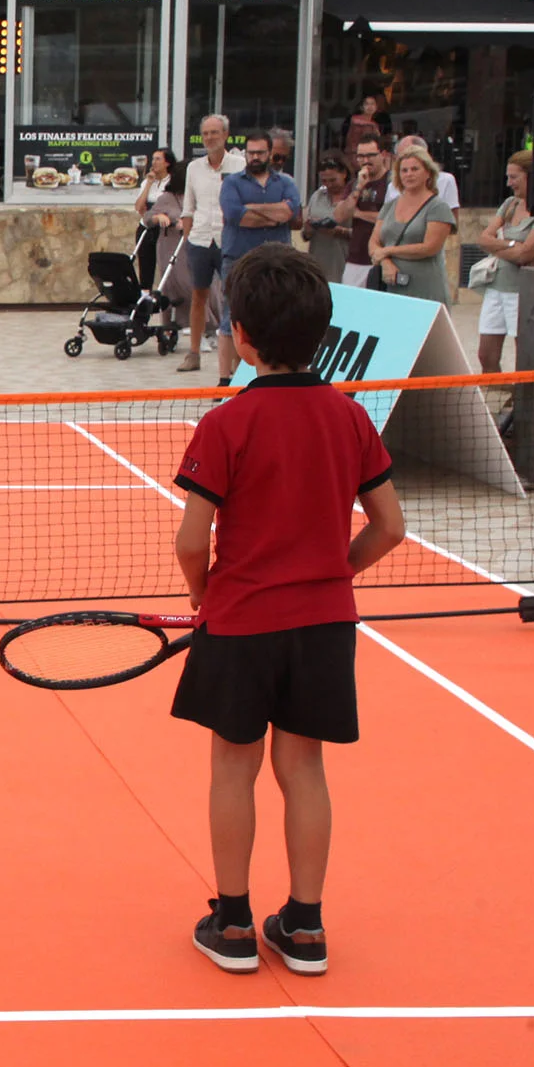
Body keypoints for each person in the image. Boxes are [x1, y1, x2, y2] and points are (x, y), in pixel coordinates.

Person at [170, 244, 407, 975]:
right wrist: (336, 571)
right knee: (304, 767)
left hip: (240, 622)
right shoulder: (351, 419)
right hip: (326, 626)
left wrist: (203, 591)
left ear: (240, 335)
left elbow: (190, 539)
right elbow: (390, 527)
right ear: (323, 331)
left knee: (232, 767)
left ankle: (234, 921)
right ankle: (305, 926)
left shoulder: (226, 423)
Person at [216, 130, 304, 382]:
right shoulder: (232, 183)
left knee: (277, 315)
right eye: (251, 152)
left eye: (260, 152)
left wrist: (254, 209)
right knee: (231, 317)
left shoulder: (285, 182)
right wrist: (272, 212)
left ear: (269, 153)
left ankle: (268, 374)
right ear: (245, 154)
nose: (255, 157)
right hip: (239, 259)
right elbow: (237, 216)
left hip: (278, 261)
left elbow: (288, 213)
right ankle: (225, 379)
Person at [175, 114, 245, 374]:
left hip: (231, 239)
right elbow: (188, 207)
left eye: (214, 133)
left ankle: (237, 359)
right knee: (198, 296)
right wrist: (188, 236)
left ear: (225, 135)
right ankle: (193, 353)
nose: (209, 138)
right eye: (205, 133)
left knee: (233, 298)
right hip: (200, 239)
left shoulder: (239, 165)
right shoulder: (194, 168)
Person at [474, 151, 534, 373]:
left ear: (530, 176)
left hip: (522, 292)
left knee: (523, 355)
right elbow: (482, 239)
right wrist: (509, 246)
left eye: (514, 177)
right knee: (485, 354)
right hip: (496, 287)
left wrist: (499, 245)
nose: (509, 183)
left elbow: (525, 254)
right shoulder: (509, 204)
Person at [369, 145, 458, 305]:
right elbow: (374, 242)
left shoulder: (437, 207)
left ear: (428, 173)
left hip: (425, 288)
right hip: (391, 286)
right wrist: (386, 262)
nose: (409, 174)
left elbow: (430, 247)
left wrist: (388, 251)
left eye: (415, 169)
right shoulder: (389, 206)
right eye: (404, 170)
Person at [135, 147, 191, 308]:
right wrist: (148, 184)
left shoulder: (172, 183)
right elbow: (140, 208)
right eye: (153, 159)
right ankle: (144, 300)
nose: (154, 162)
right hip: (147, 226)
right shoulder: (148, 182)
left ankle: (168, 298)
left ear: (167, 163)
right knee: (146, 263)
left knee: (168, 264)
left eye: (158, 159)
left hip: (166, 229)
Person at [342, 128, 390, 275]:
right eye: (361, 156)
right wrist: (359, 188)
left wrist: (358, 213)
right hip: (355, 259)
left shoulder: (392, 183)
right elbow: (339, 215)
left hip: (383, 258)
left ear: (383, 155)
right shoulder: (354, 184)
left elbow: (390, 219)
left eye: (370, 155)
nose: (365, 161)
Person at [302, 157, 353, 283]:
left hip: (346, 264)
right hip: (318, 264)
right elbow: (305, 235)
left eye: (333, 180)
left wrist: (340, 231)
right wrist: (308, 229)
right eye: (324, 181)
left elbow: (365, 234)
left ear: (344, 174)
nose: (329, 185)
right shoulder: (317, 196)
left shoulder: (354, 197)